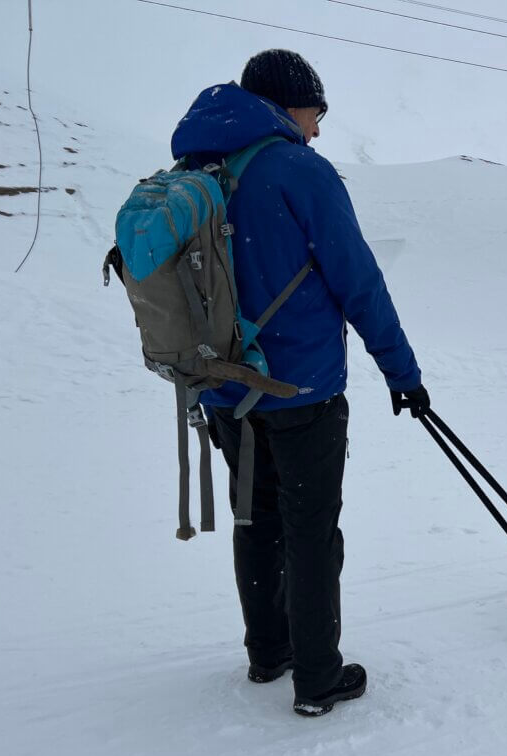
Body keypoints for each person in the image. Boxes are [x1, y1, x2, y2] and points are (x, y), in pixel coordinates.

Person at [169, 49, 430, 717]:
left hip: (224, 387)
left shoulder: (196, 170)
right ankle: (317, 677)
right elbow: (358, 282)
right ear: (290, 104)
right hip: (302, 393)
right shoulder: (298, 170)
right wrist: (402, 373)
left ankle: (269, 650)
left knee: (255, 519)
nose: (317, 129)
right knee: (311, 531)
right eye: (316, 113)